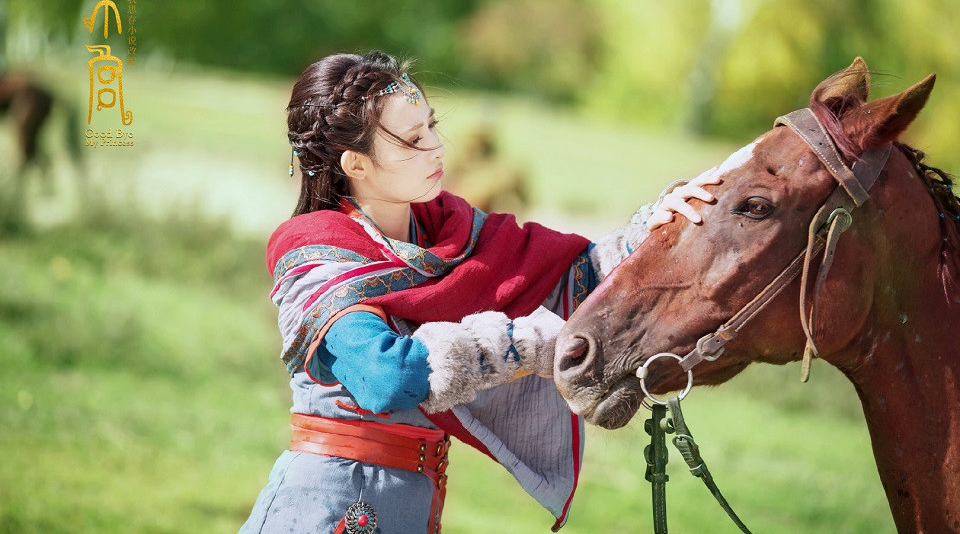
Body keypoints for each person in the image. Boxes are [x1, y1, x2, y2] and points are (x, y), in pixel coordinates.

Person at [239, 51, 719, 534]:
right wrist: (520, 344)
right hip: (326, 510)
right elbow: (386, 376)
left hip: (415, 507)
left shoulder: (451, 230)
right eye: (412, 140)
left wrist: (664, 226)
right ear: (355, 163)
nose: (436, 148)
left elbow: (573, 274)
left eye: (431, 126)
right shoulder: (315, 254)